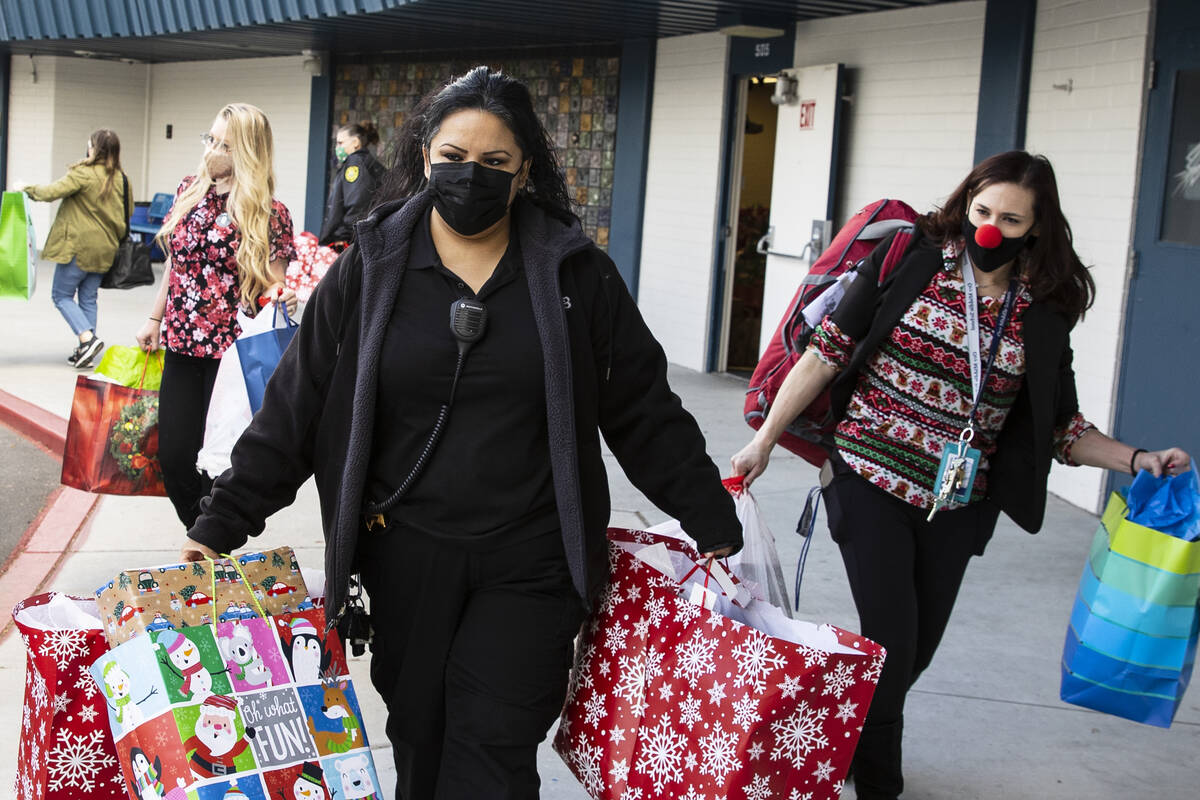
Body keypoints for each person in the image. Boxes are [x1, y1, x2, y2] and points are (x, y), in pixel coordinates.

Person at [181, 66, 742, 799]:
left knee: (493, 750)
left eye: (493, 163)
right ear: (423, 158)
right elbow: (296, 409)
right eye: (452, 158)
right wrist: (217, 525)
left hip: (533, 558)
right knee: (420, 735)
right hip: (407, 553)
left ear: (524, 172)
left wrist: (710, 517)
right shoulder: (369, 271)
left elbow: (643, 410)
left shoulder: (577, 277)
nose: (468, 176)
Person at [731, 150, 1191, 800]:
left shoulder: (1042, 311)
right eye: (981, 211)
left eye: (1009, 218)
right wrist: (764, 440)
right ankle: (877, 786)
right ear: (966, 203)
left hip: (957, 504)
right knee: (891, 647)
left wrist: (1137, 460)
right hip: (868, 477)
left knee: (910, 657)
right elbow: (826, 350)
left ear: (1035, 226)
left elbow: (1062, 427)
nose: (989, 228)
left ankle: (832, 742)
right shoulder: (909, 257)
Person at [135, 103, 297, 528]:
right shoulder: (189, 190)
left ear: (245, 151)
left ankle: (209, 552)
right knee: (172, 458)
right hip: (181, 341)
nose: (212, 151)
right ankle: (207, 542)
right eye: (209, 139)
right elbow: (176, 265)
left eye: (223, 144)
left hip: (231, 354)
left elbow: (273, 281)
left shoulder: (269, 212)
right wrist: (154, 320)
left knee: (218, 465)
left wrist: (284, 295)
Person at [21, 129, 131, 368]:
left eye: (90, 145)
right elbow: (128, 211)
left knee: (61, 295)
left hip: (79, 247)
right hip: (106, 249)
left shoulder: (84, 173)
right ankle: (86, 348)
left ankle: (87, 338)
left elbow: (50, 193)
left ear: (95, 149)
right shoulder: (121, 178)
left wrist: (26, 188)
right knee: (88, 298)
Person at [318, 120, 385, 247]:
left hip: (348, 241)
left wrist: (341, 236)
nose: (337, 148)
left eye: (340, 143)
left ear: (355, 142)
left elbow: (357, 204)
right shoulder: (368, 163)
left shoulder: (355, 164)